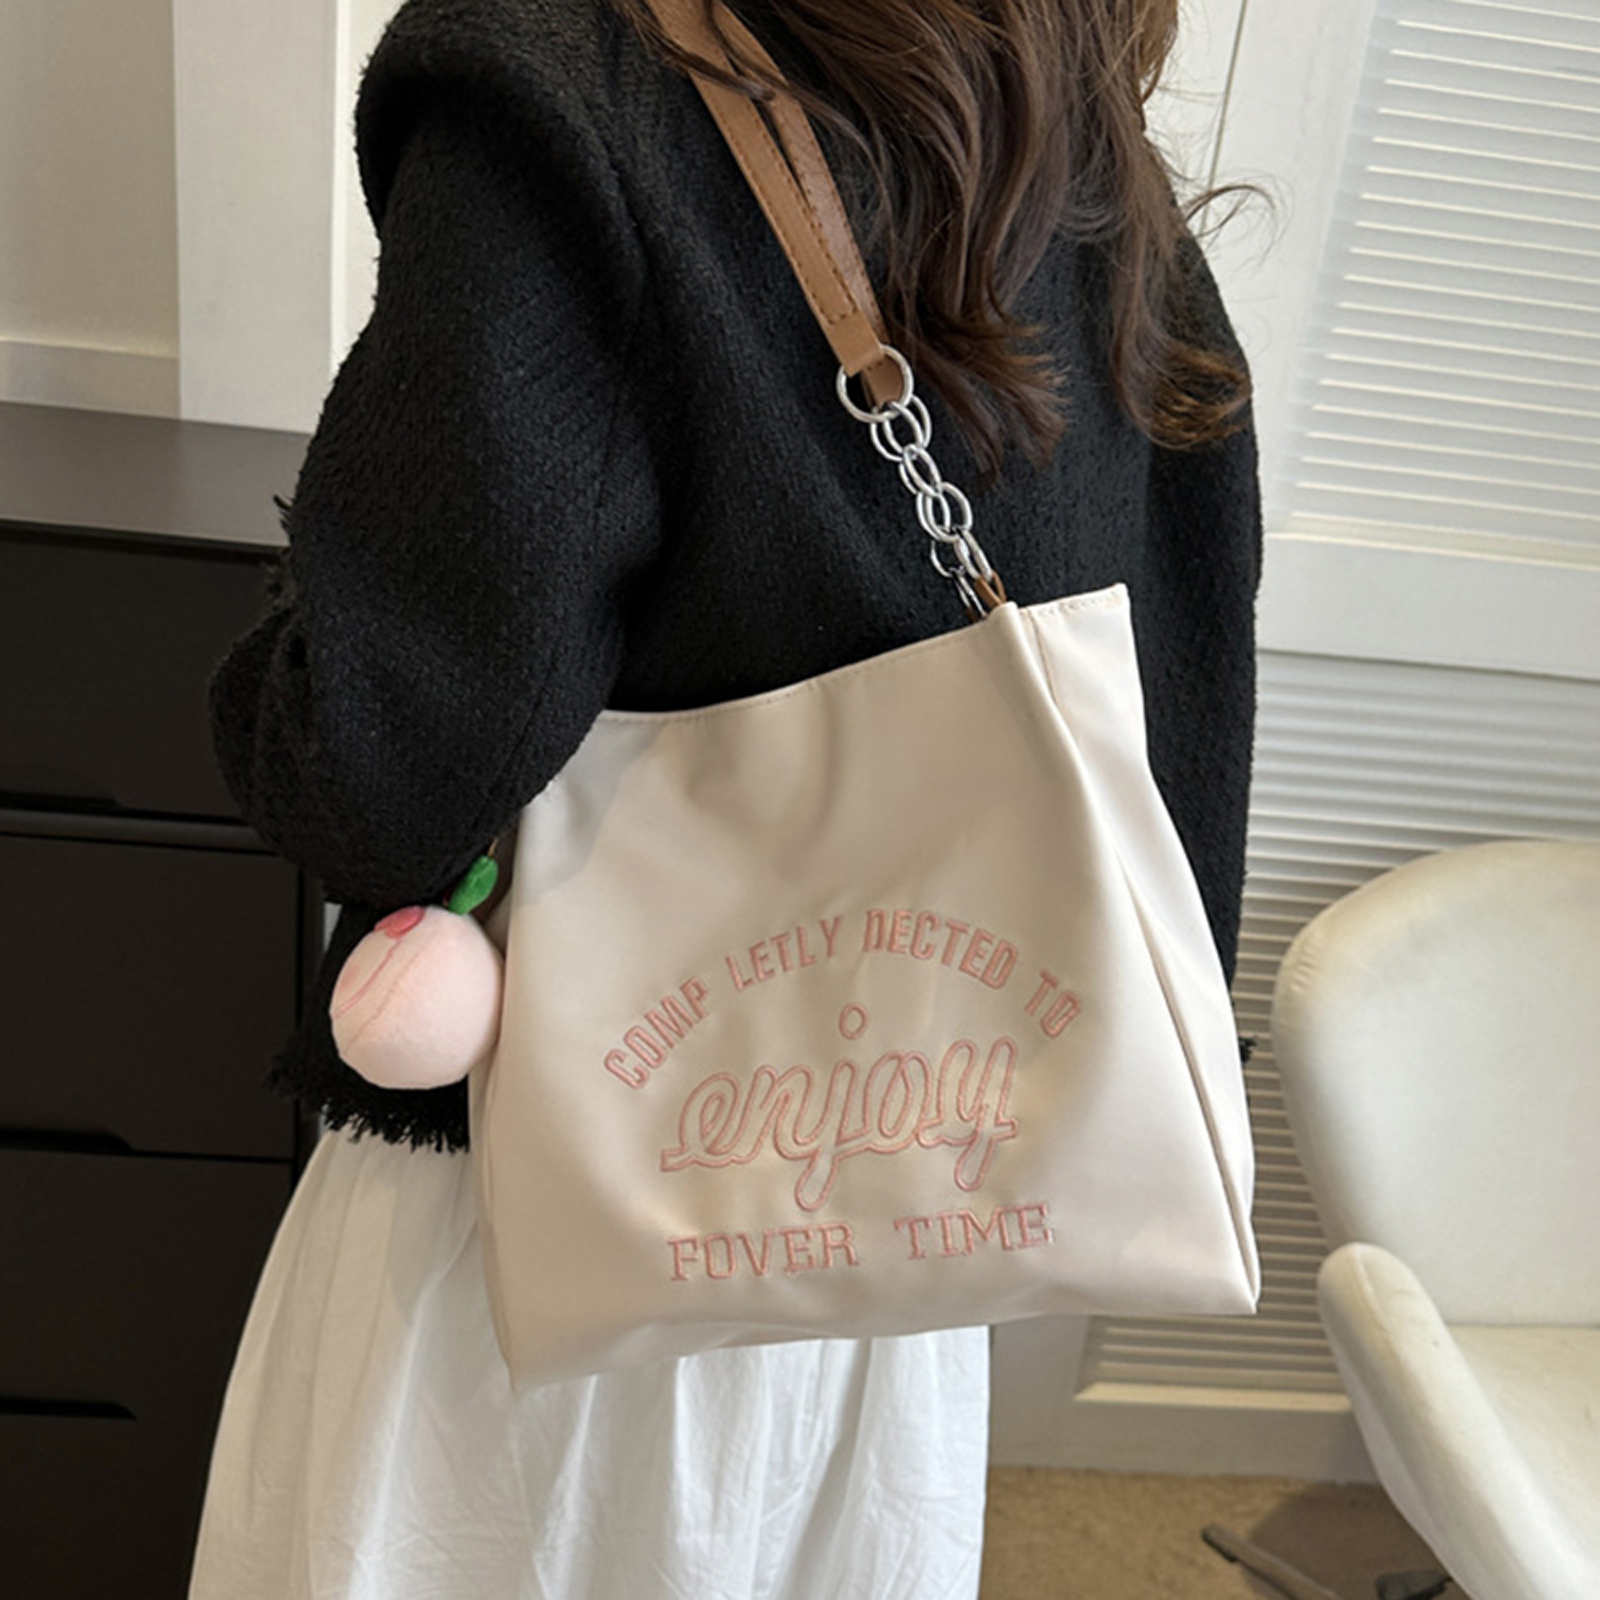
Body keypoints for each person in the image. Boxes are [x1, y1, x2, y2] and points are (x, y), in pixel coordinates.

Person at [190, 0, 1261, 1595]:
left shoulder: (564, 89)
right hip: (908, 1232)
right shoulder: (1075, 133)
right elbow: (1183, 703)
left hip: (546, 1228)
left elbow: (373, 770)